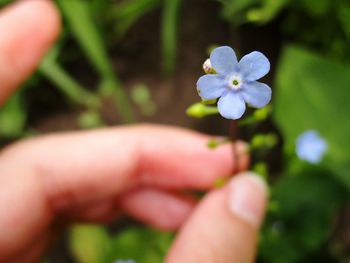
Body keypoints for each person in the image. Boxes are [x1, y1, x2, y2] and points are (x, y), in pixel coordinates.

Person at [0, 1, 267, 262]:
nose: (235, 81)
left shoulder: (238, 84)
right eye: (232, 79)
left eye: (236, 79)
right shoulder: (217, 85)